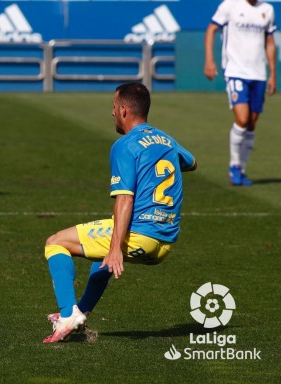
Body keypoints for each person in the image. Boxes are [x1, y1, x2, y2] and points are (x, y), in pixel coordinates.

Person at [42, 82, 197, 343]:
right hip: (164, 244)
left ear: (124, 110)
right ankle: (80, 313)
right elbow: (191, 163)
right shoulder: (167, 140)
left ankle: (68, 314)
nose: (112, 113)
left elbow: (125, 199)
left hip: (140, 235)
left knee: (55, 243)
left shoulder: (125, 145)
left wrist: (116, 248)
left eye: (113, 107)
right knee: (100, 258)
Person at [204, 0, 276, 186]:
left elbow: (269, 42)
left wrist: (273, 74)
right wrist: (209, 61)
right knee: (242, 119)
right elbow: (211, 29)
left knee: (251, 123)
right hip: (236, 72)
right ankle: (234, 165)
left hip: (259, 74)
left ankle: (242, 169)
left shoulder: (267, 9)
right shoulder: (230, 5)